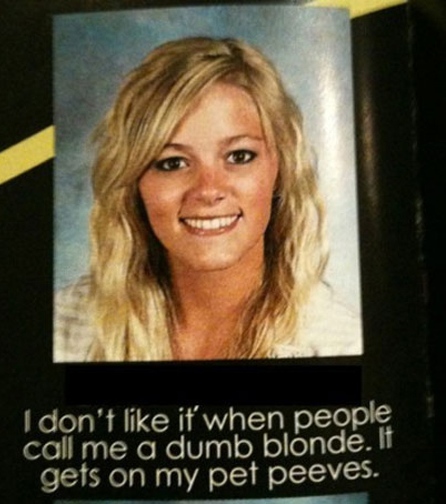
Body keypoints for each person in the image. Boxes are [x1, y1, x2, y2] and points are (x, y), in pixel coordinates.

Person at [54, 37, 361, 362]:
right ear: (134, 184)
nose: (208, 190)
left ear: (280, 170)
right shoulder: (64, 326)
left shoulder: (340, 344)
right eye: (173, 163)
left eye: (239, 156)